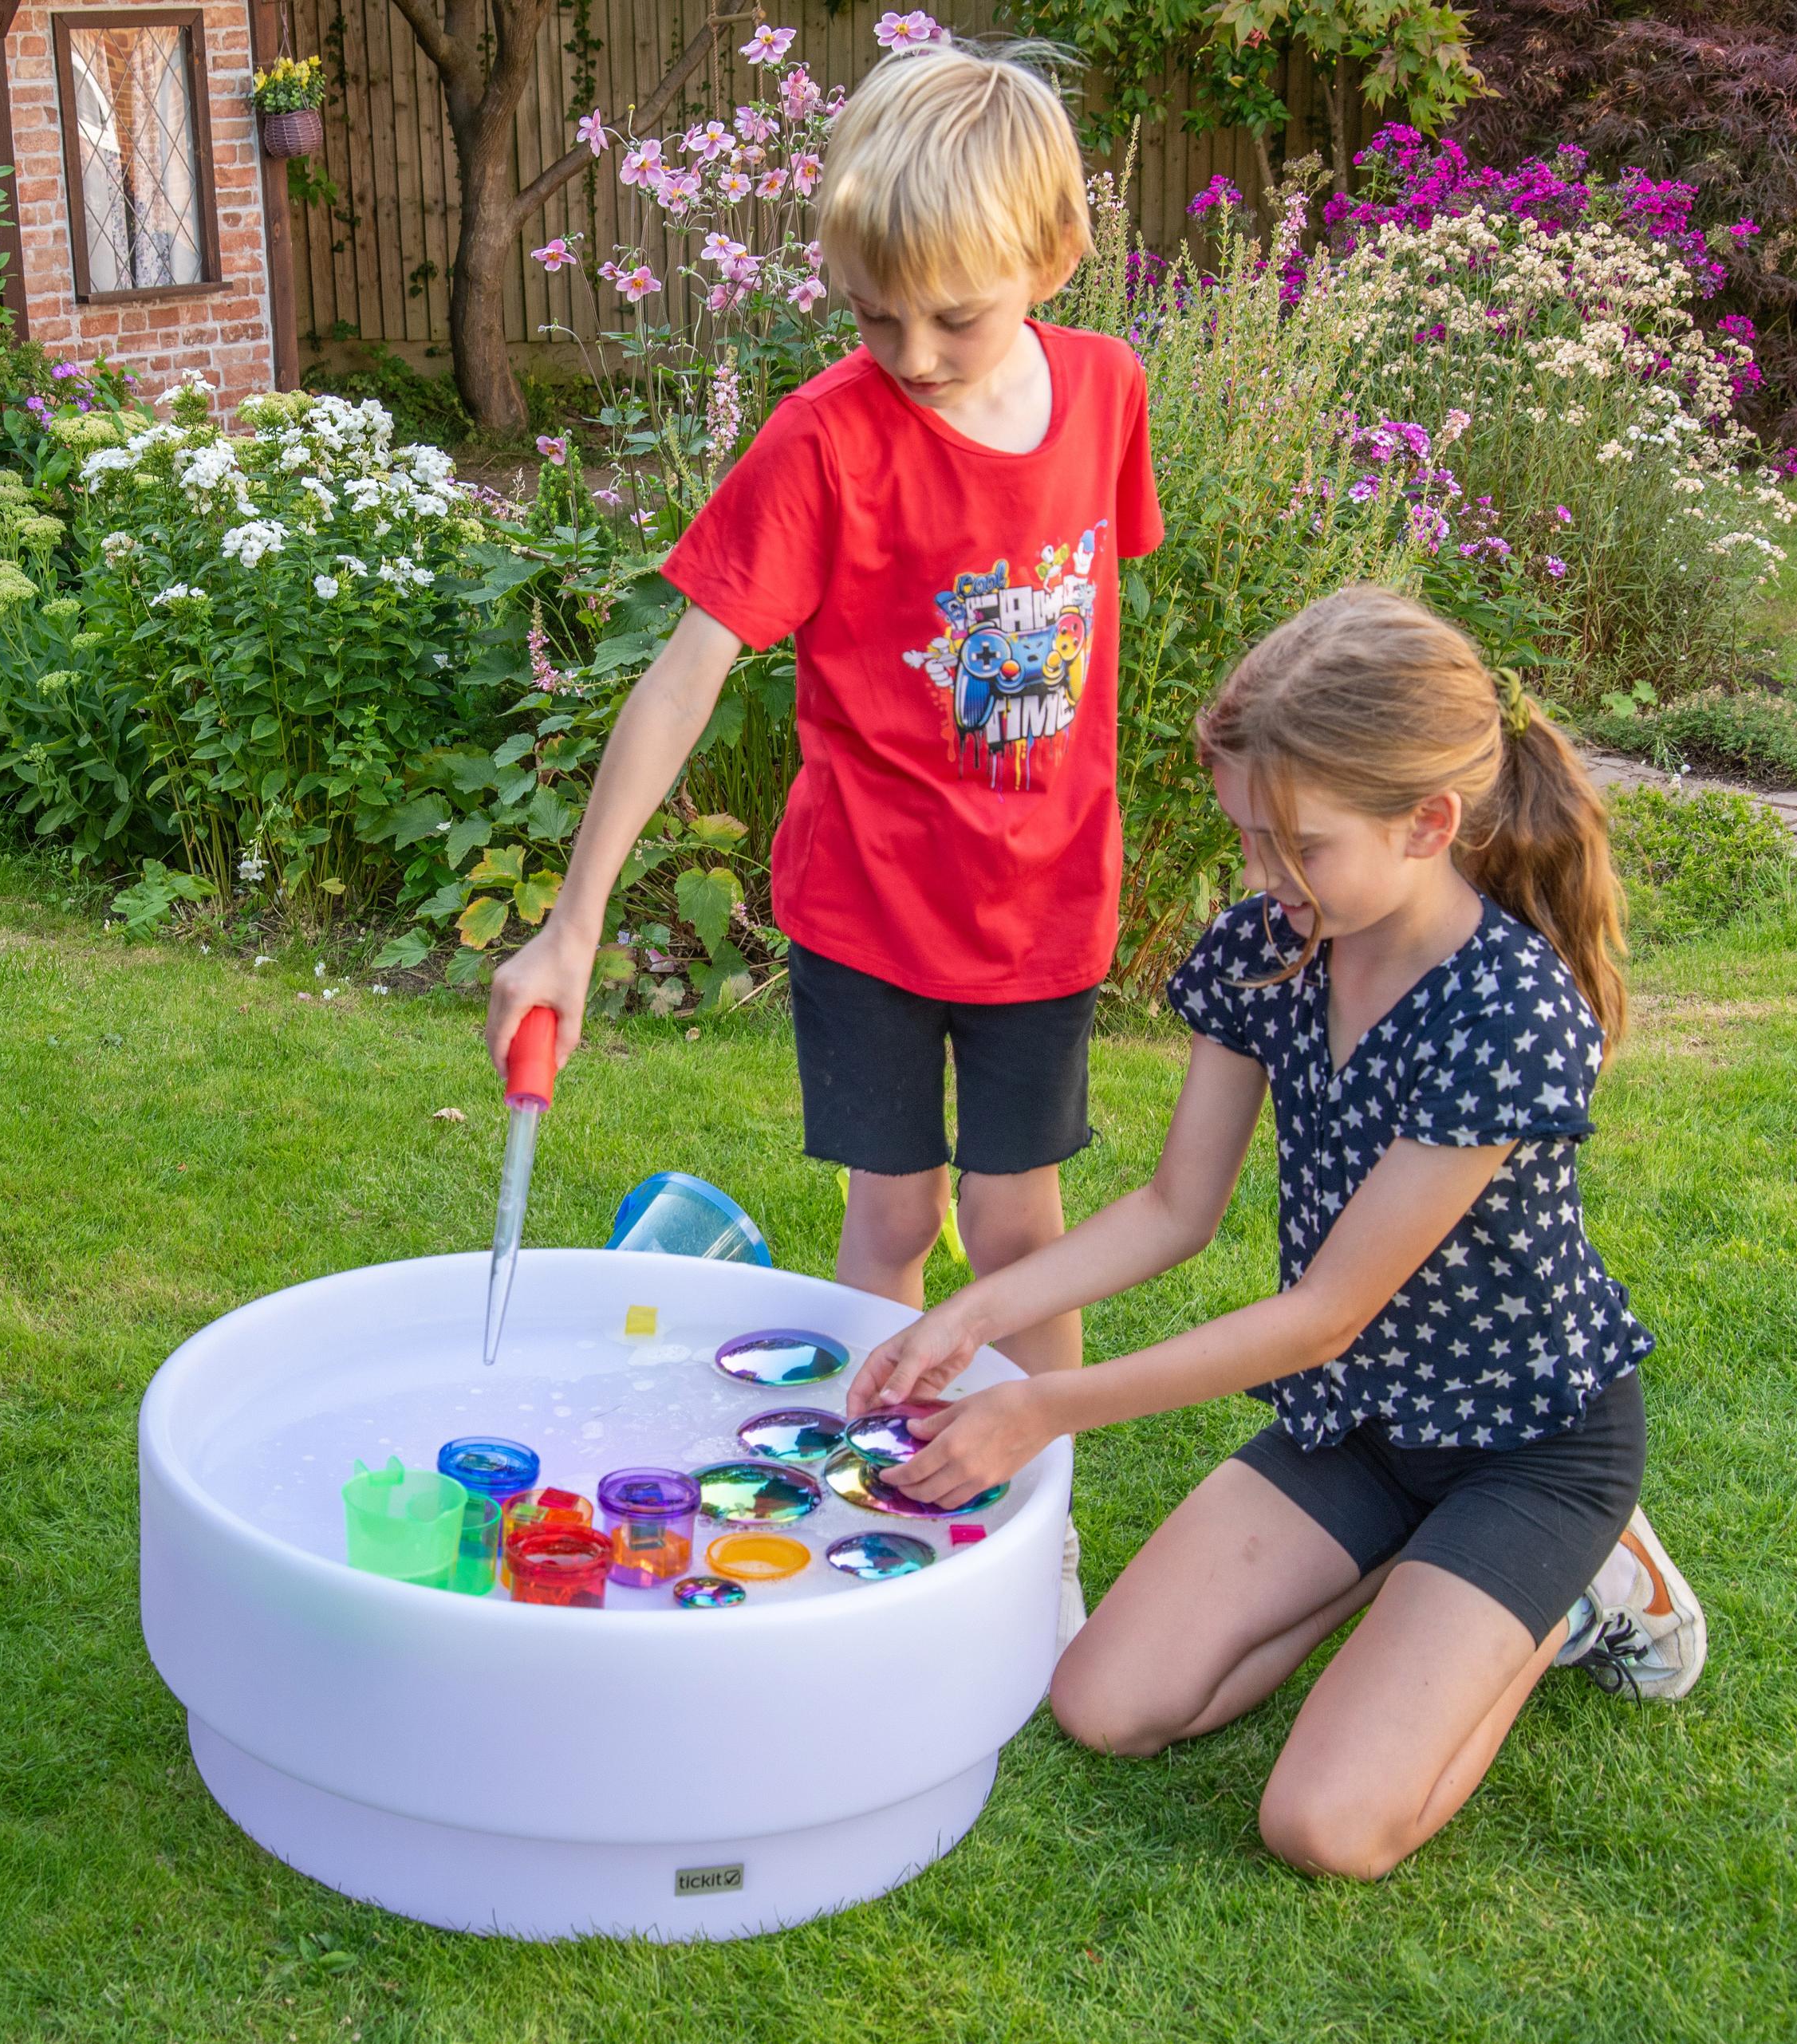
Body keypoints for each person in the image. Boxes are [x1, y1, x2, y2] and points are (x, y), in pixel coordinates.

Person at [845, 585, 1709, 1880]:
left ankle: (1579, 1591)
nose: (1263, 879)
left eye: (1296, 847)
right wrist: (968, 1316)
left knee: (1324, 1828)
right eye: (1249, 839)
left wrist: (1048, 1406)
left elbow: (1324, 1313)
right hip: (1358, 1423)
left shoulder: (1509, 1013)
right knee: (1104, 1704)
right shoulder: (1272, 946)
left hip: (1526, 1449)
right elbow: (1175, 1211)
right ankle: (1414, 1572)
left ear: (1429, 825)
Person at [487, 34, 1159, 1641]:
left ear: (1049, 259)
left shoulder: (1111, 397)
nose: (913, 355)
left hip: (1041, 910)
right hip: (865, 910)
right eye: (875, 317)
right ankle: (875, 1528)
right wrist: (571, 923)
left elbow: (1092, 623)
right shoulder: (825, 436)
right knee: (897, 1218)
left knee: (1019, 1230)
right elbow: (683, 671)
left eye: (955, 315)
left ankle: (1030, 1528)